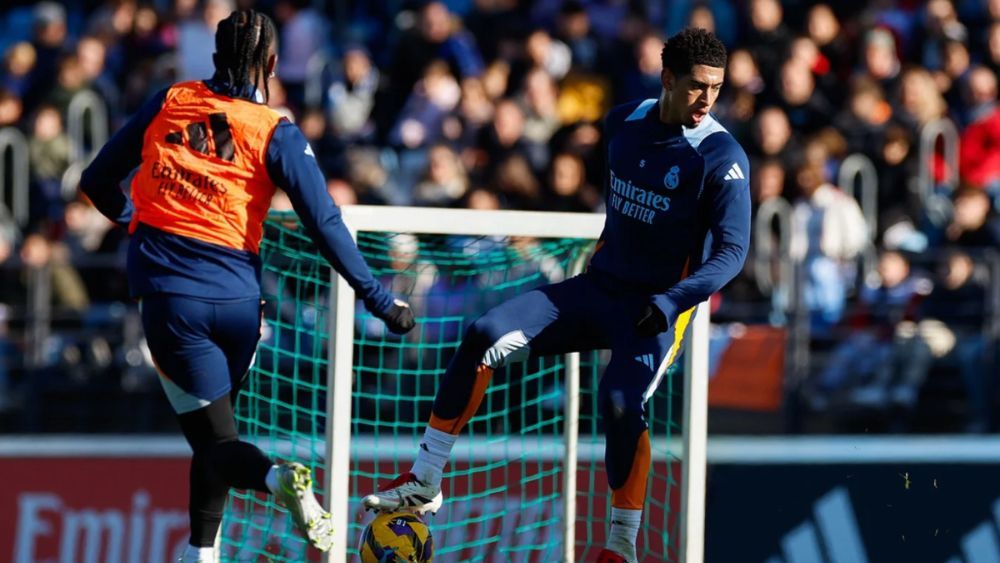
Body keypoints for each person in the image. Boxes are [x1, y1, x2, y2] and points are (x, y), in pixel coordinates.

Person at [363, 28, 750, 563]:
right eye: (696, 86)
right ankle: (425, 479)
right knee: (483, 334)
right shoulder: (623, 124)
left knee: (618, 401)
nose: (708, 99)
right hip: (598, 289)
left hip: (655, 312)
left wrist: (671, 301)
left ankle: (621, 545)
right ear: (666, 79)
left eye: (716, 87)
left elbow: (732, 255)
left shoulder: (720, 155)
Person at [78, 10, 416, 561]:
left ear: (213, 57)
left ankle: (276, 478)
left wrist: (133, 217)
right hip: (240, 307)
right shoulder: (276, 131)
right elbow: (325, 223)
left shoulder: (170, 101)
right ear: (275, 65)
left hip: (175, 303)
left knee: (217, 444)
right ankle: (200, 551)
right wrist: (378, 298)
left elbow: (96, 181)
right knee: (214, 433)